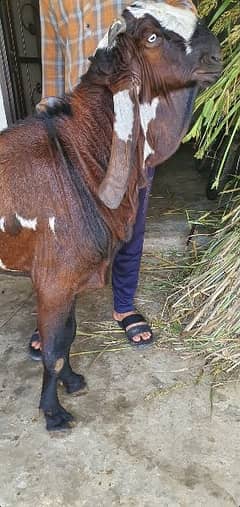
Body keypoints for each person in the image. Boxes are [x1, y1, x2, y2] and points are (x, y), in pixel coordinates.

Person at [29, 0, 155, 360]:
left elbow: (183, 20)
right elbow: (53, 61)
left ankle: (124, 303)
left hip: (136, 124)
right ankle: (56, 312)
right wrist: (46, 126)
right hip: (75, 129)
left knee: (130, 221)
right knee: (62, 229)